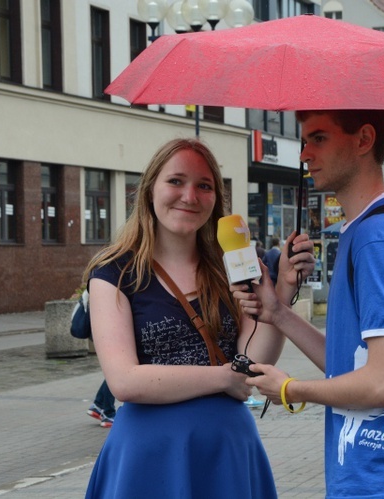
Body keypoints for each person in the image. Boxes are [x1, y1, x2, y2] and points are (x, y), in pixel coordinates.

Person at [232, 109, 384, 498]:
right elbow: (349, 366)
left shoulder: (379, 240)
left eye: (318, 138)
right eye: (304, 141)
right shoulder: (361, 230)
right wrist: (277, 312)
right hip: (371, 476)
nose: (304, 155)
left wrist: (290, 389)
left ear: (364, 140)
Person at [82, 138, 314, 498]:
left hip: (227, 451)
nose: (190, 196)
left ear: (215, 199)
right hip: (149, 457)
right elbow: (125, 381)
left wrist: (282, 289)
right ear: (149, 190)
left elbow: (254, 362)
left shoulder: (233, 268)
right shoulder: (114, 274)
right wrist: (224, 378)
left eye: (204, 186)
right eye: (176, 181)